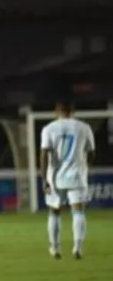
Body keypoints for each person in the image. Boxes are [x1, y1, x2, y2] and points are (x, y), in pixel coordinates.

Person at [39, 100, 94, 260]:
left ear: (57, 111)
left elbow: (43, 154)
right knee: (78, 211)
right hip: (77, 175)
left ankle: (55, 248)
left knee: (54, 212)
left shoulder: (49, 128)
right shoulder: (84, 127)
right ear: (73, 111)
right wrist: (84, 165)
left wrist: (44, 179)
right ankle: (77, 247)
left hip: (55, 177)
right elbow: (91, 153)